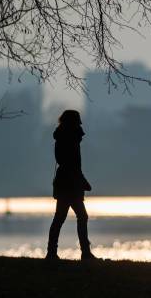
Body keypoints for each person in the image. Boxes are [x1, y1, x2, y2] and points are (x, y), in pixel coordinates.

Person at [46, 110, 97, 260]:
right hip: (70, 184)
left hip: (66, 183)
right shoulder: (69, 140)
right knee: (79, 216)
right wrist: (81, 181)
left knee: (61, 218)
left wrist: (82, 181)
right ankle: (84, 253)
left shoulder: (63, 138)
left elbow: (69, 164)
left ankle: (52, 252)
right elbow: (71, 165)